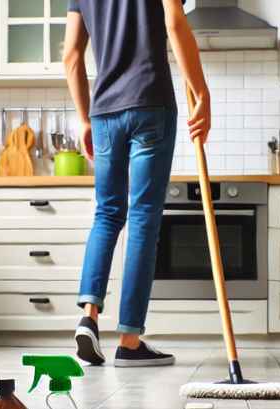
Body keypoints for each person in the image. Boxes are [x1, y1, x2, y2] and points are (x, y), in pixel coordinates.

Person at [63, 0, 211, 367]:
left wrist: (84, 119)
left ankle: (89, 316)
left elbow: (71, 56)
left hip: (104, 112)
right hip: (150, 102)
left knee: (107, 214)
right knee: (143, 217)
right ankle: (129, 341)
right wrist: (202, 93)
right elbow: (175, 23)